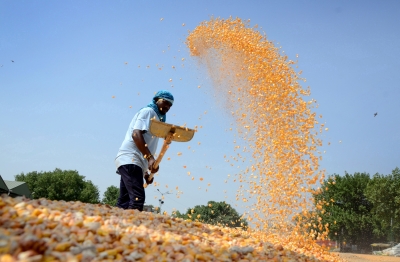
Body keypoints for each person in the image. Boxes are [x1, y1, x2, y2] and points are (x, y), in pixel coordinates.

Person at [115, 90, 174, 211]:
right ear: (158, 100)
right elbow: (136, 134)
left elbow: (146, 143)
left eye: (170, 105)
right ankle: (130, 228)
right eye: (166, 102)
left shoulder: (157, 119)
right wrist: (151, 158)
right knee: (137, 198)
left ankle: (113, 227)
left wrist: (146, 173)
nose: (168, 107)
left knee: (125, 201)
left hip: (135, 162)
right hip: (131, 158)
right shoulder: (149, 111)